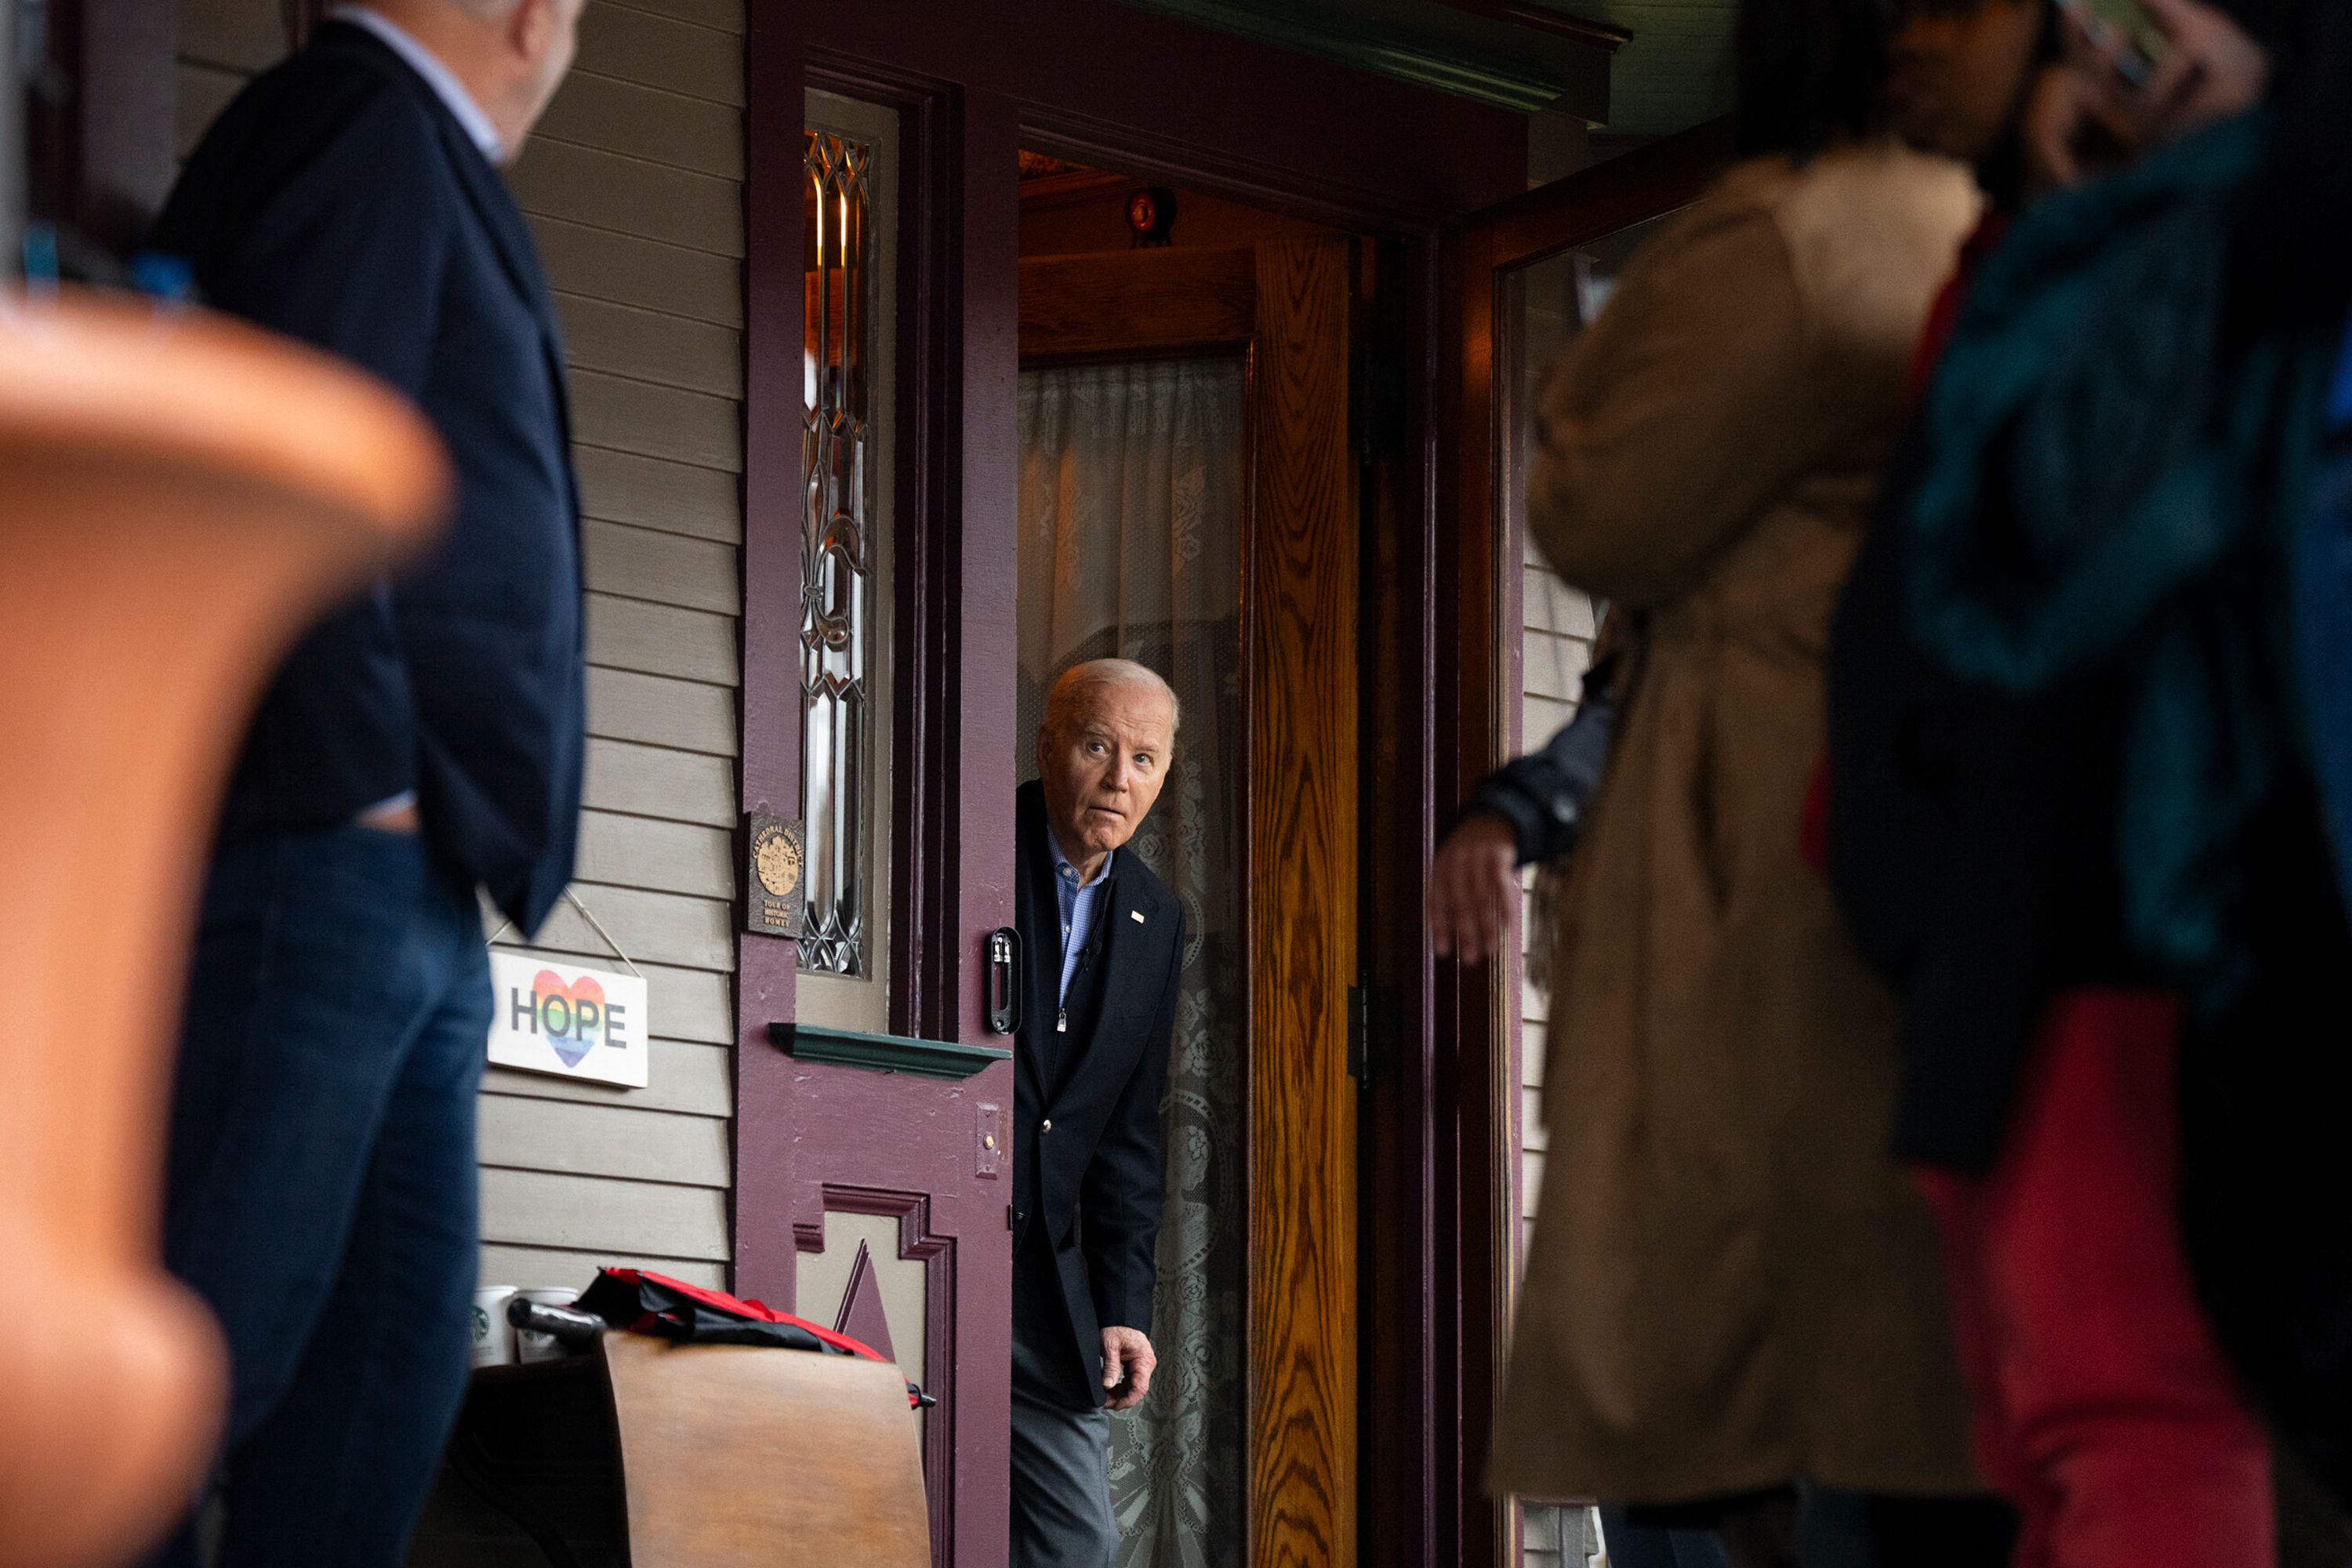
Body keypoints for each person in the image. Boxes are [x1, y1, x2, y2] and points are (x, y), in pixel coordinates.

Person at [1483, 0, 1998, 1561]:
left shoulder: (1802, 233)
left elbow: (1590, 500)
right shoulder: (1998, 228)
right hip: (1929, 819)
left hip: (1766, 817)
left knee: (1730, 1320)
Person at [1827, 0, 2311, 1562]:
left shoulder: (2263, 236)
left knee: (2129, 1422)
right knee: (2048, 1431)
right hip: (2006, 920)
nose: (2120, 40)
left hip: (2130, 907)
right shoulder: (2069, 254)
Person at [143, 0, 586, 1559]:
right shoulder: (362, 127)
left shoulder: (397, 145)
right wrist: (365, 784)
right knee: (187, 1368)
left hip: (412, 893)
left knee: (381, 1392)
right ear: (528, 16)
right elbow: (280, 458)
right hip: (324, 861)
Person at [1011, 659, 1187, 1568]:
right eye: (1097, 746)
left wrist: (1124, 1305)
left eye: (1146, 759)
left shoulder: (1158, 916)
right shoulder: (968, 845)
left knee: (1078, 1546)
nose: (1121, 778)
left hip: (1052, 1292)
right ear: (1048, 747)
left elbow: (1128, 1134)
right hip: (925, 1249)